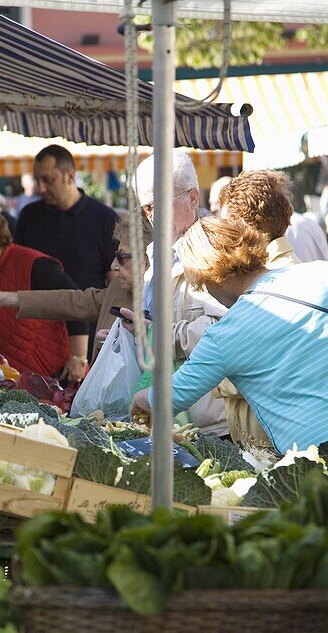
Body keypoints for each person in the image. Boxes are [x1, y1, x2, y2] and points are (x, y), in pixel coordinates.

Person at [132, 217, 328, 483]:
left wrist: (140, 399)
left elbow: (173, 396)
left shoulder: (227, 334)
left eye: (201, 283)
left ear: (213, 274)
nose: (204, 291)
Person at [0, 216, 150, 366]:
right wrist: (6, 298)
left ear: (149, 258)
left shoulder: (176, 298)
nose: (113, 265)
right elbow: (73, 301)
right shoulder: (118, 288)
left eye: (122, 256)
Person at [130, 151, 228, 438]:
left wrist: (162, 333)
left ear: (193, 198)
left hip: (212, 427)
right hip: (170, 419)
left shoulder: (216, 252)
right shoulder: (158, 256)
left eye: (158, 204)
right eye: (146, 208)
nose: (152, 217)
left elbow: (228, 333)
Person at [213, 170, 303, 448]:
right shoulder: (275, 273)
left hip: (277, 442)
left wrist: (218, 376)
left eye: (226, 224)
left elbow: (264, 369)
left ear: (244, 228)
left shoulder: (276, 280)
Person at [0, 206, 82, 379]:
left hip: (47, 378)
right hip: (2, 380)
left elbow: (74, 303)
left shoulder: (35, 266)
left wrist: (78, 357)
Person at [15, 145, 119, 341]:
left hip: (87, 334)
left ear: (70, 176)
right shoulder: (29, 216)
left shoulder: (104, 219)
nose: (41, 188)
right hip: (36, 333)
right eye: (37, 180)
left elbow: (116, 282)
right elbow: (19, 271)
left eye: (48, 180)